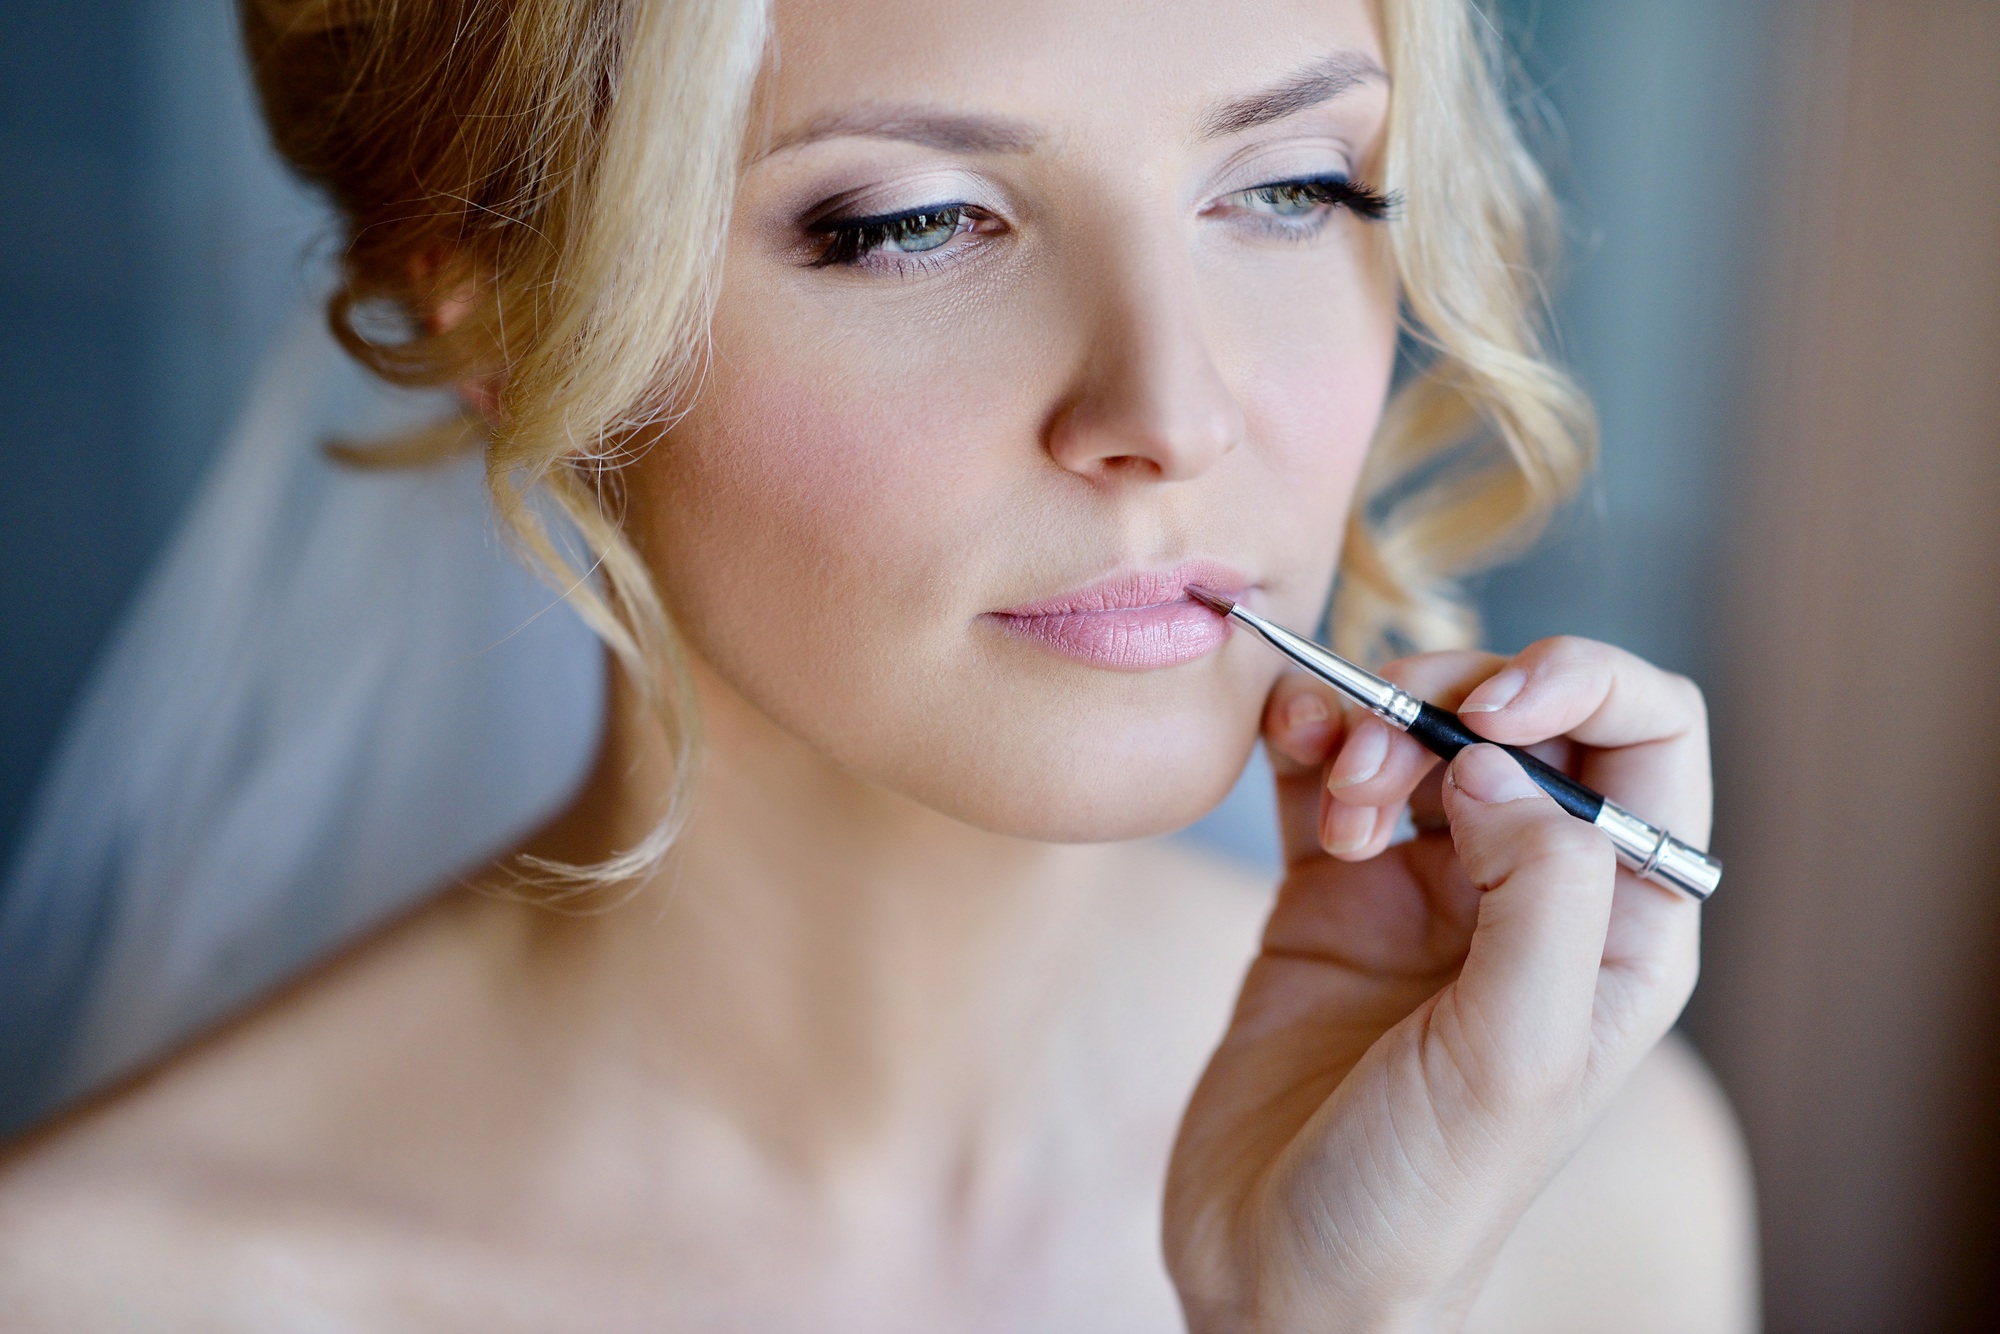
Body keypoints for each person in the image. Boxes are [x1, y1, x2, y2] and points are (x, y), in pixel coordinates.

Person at [0, 0, 1757, 1327]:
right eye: (915, 222)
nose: (1171, 409)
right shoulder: (112, 1289)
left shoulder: (1575, 1184)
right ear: (489, 293)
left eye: (1291, 185)